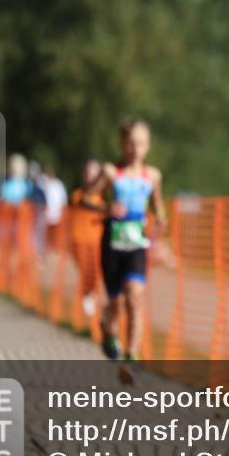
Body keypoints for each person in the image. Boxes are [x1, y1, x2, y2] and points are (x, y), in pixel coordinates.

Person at [84, 120, 167, 366]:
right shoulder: (111, 172)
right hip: (112, 241)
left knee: (134, 297)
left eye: (140, 143)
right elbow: (85, 198)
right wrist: (107, 207)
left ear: (147, 146)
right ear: (122, 144)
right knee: (116, 302)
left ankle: (131, 354)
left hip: (137, 242)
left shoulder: (152, 176)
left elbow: (158, 205)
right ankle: (107, 329)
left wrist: (161, 219)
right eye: (130, 143)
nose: (134, 148)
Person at [70, 159, 107, 318]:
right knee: (85, 270)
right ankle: (87, 296)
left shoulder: (101, 199)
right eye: (88, 173)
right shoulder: (78, 195)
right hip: (79, 239)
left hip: (96, 241)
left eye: (94, 173)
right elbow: (83, 204)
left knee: (96, 271)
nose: (90, 177)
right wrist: (108, 210)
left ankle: (91, 296)